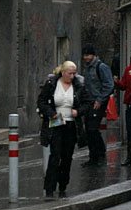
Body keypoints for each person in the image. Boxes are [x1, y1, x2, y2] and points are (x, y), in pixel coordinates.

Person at [37, 60, 89, 198]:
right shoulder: (52, 84)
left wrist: (78, 112)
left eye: (74, 73)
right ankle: (49, 187)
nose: (72, 76)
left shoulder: (78, 85)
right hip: (56, 121)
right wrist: (52, 113)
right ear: (63, 72)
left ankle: (63, 184)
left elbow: (86, 103)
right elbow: (41, 102)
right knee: (55, 155)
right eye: (70, 73)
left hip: (71, 124)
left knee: (67, 157)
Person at [80, 45, 114, 167]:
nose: (86, 58)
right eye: (84, 55)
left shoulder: (101, 67)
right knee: (89, 129)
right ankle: (97, 154)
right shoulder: (87, 68)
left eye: (88, 55)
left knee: (93, 128)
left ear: (93, 55)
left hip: (98, 102)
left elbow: (109, 85)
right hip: (89, 102)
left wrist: (100, 99)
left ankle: (97, 155)